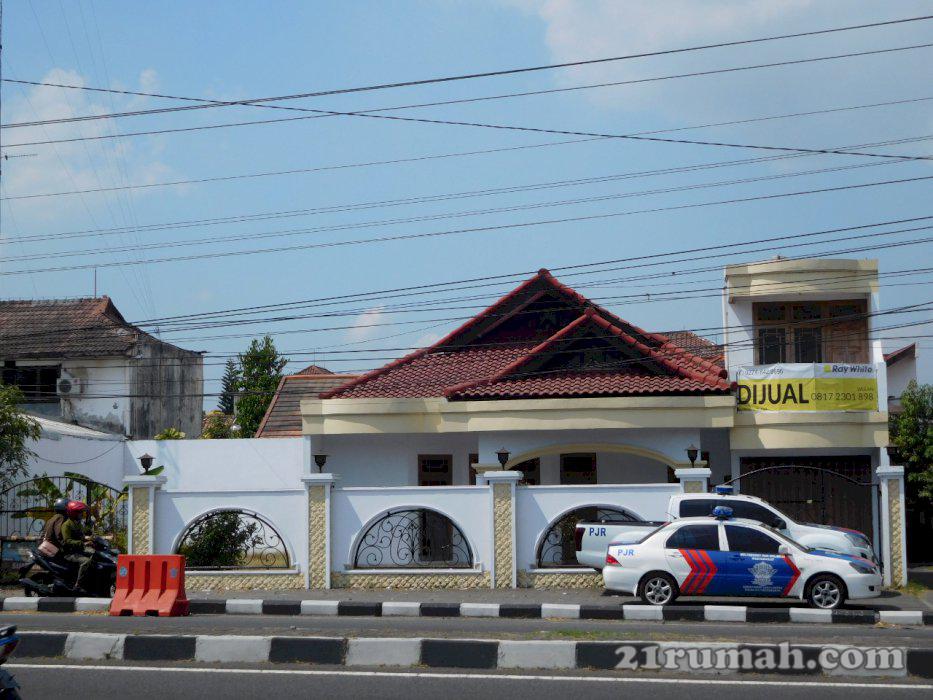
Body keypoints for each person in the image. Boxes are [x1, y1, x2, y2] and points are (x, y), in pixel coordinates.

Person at [60, 501, 91, 593]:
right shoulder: (66, 525)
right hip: (69, 553)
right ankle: (78, 585)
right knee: (86, 561)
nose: (82, 514)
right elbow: (67, 541)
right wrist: (83, 543)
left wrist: (91, 538)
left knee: (94, 555)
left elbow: (83, 534)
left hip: (78, 551)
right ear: (74, 513)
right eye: (80, 512)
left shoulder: (77, 523)